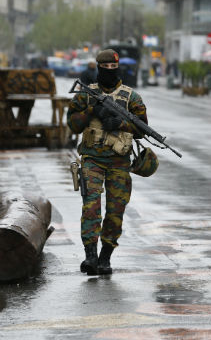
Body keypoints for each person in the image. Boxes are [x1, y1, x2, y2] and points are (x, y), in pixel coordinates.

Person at [66, 49, 148, 276]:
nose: (110, 72)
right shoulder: (86, 94)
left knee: (116, 209)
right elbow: (72, 123)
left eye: (114, 68)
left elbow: (142, 129)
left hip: (119, 162)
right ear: (98, 68)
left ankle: (105, 256)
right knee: (91, 206)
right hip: (92, 158)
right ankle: (90, 255)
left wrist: (120, 124)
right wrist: (93, 110)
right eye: (105, 68)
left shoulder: (131, 97)